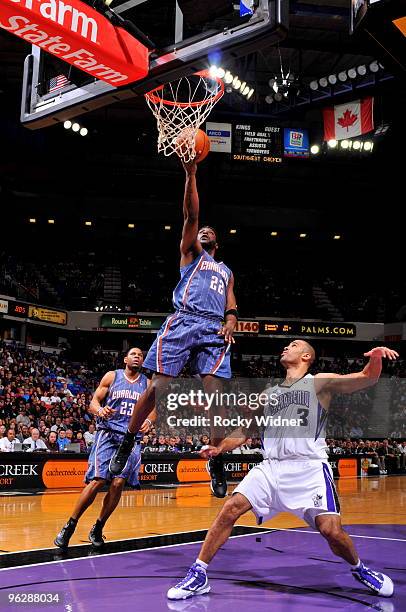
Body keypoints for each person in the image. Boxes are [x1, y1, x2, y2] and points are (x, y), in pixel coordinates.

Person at [168, 342, 398, 600]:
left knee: (331, 531)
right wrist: (219, 448)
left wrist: (376, 357)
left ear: (307, 356)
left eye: (294, 345)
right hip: (272, 467)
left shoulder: (318, 382)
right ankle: (199, 573)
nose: (287, 347)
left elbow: (366, 378)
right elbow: (245, 432)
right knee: (230, 508)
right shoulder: (268, 394)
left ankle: (360, 569)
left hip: (308, 467)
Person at [110, 160, 238, 497]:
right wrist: (191, 173)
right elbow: (191, 216)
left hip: (213, 330)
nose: (204, 230)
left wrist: (231, 321)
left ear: (218, 243)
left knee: (217, 399)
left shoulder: (225, 270)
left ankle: (215, 458)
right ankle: (128, 440)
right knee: (156, 390)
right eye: (201, 230)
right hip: (183, 320)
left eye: (211, 231)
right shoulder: (190, 253)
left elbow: (231, 303)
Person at [54, 347, 155, 549]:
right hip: (108, 434)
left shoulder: (148, 383)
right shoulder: (112, 376)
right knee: (98, 480)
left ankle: (99, 526)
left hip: (130, 438)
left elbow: (155, 409)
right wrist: (100, 410)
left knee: (118, 483)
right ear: (125, 358)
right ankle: (70, 525)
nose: (138, 357)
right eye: (134, 354)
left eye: (141, 355)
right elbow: (93, 401)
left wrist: (150, 422)